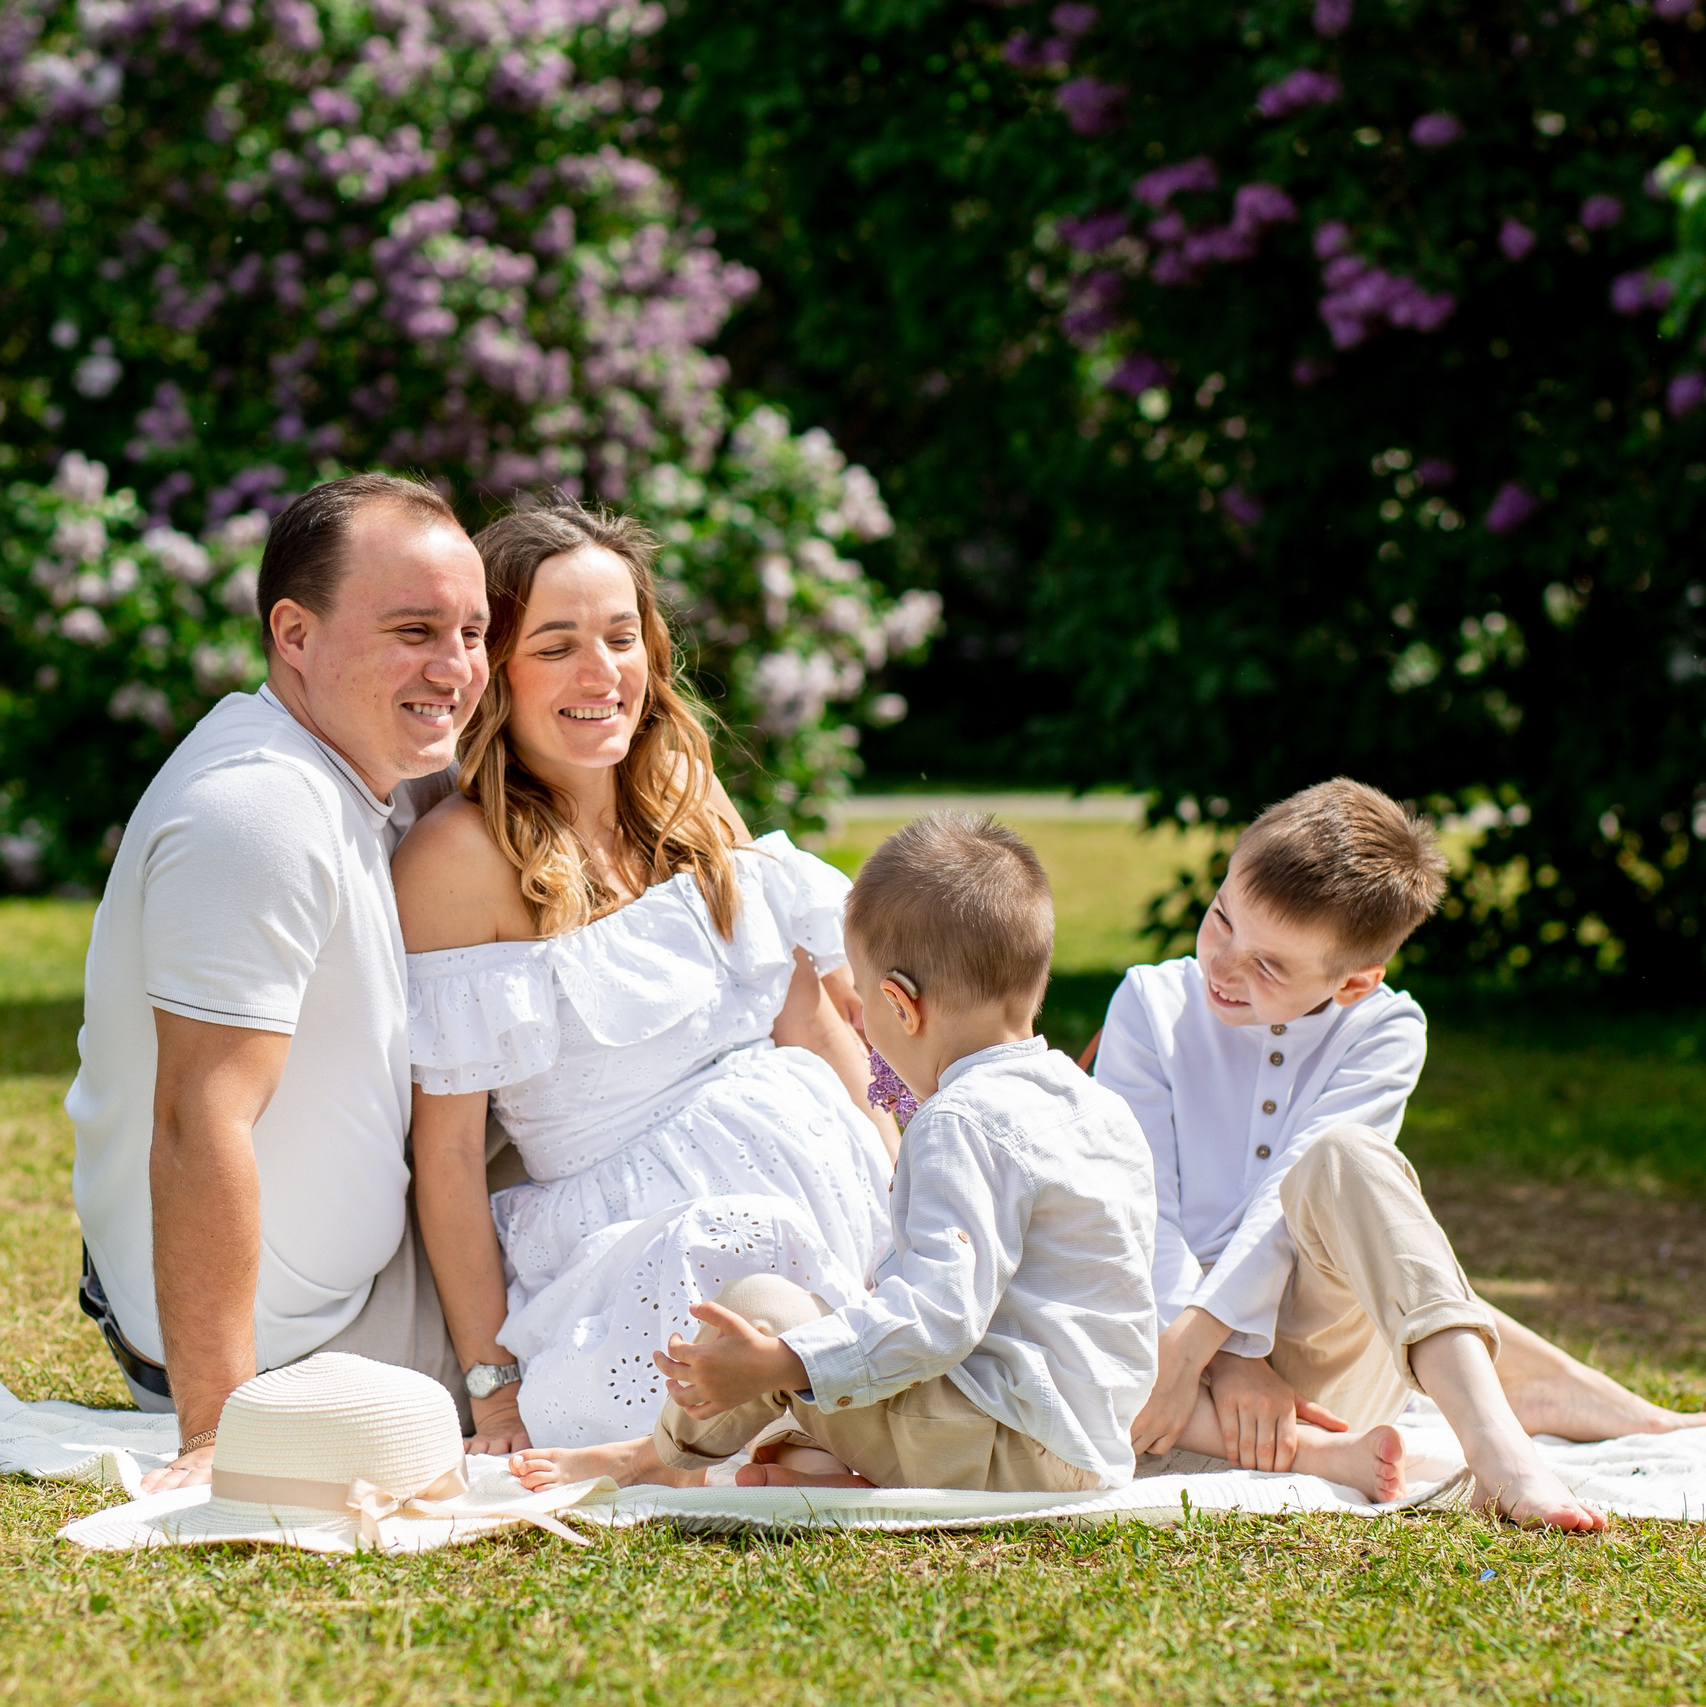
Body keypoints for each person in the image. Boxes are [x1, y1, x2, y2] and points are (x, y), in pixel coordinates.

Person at [394, 497, 895, 1483]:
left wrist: (895, 1165)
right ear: (495, 669)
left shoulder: (681, 790)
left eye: (621, 638)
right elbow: (447, 1152)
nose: (601, 674)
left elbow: (806, 1016)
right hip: (643, 1239)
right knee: (761, 1345)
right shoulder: (459, 860)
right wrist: (491, 1382)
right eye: (556, 646)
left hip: (832, 1173)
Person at [1091, 777, 1705, 1529]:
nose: (1224, 966)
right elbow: (1139, 1204)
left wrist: (1220, 1347)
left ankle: (1503, 1452)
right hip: (1161, 1342)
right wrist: (1214, 1354)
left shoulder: (1383, 1030)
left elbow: (1296, 1198)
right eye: (1221, 919)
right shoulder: (1150, 1004)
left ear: (1353, 983)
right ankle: (1535, 1384)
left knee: (1346, 1157)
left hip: (1323, 1360)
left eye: (1271, 966)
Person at [522, 812, 1159, 1495]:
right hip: (1089, 1441)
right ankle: (818, 1467)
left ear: (898, 1004)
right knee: (829, 1362)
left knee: (763, 1306)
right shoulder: (1094, 1106)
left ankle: (657, 1458)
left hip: (1008, 1444)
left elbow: (939, 1316)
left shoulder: (960, 1121)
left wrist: (783, 1358)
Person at [67, 472, 492, 1494]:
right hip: (309, 1348)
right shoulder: (260, 812)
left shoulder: (347, 762)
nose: (457, 669)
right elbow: (195, 1122)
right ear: (293, 635)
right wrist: (222, 1434)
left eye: (474, 633)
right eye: (414, 630)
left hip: (358, 1287)